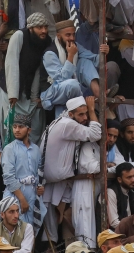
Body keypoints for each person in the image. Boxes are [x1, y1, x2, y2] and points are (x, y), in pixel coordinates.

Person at [41, 95, 103, 244]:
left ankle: (56, 249)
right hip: (56, 177)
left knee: (58, 214)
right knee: (53, 215)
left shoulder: (61, 122)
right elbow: (95, 134)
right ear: (70, 114)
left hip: (57, 177)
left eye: (86, 113)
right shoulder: (68, 124)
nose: (85, 117)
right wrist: (93, 111)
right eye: (81, 114)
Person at [4, 11, 51, 135]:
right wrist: (13, 93)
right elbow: (11, 63)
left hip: (30, 91)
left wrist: (35, 96)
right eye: (39, 27)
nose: (44, 31)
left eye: (45, 27)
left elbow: (39, 69)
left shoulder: (46, 41)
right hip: (11, 90)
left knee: (33, 129)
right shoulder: (19, 36)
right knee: (14, 129)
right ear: (30, 28)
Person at [1, 113, 43, 225]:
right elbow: (8, 177)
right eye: (14, 127)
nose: (17, 130)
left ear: (29, 130)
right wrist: (22, 199)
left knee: (31, 231)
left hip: (32, 194)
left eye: (21, 127)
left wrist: (40, 186)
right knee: (15, 230)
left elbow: (39, 172)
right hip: (15, 195)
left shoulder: (36, 149)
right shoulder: (9, 149)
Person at [40, 19, 89, 110]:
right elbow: (61, 78)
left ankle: (99, 92)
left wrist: (104, 51)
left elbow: (91, 56)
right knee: (73, 84)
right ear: (58, 36)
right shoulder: (50, 54)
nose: (72, 38)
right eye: (68, 35)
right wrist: (70, 55)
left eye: (73, 34)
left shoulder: (75, 46)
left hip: (68, 90)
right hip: (50, 93)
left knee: (87, 63)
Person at [107, 162, 134, 228]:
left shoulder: (132, 193)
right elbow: (114, 223)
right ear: (119, 179)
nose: (133, 180)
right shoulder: (111, 192)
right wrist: (132, 229)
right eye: (129, 177)